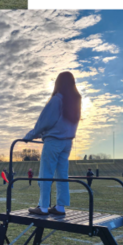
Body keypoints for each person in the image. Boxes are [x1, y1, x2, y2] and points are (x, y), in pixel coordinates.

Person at [25, 71, 81, 217]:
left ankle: (43, 207)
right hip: (67, 143)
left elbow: (44, 121)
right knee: (62, 175)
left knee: (46, 174)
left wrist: (30, 136)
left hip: (54, 141)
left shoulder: (57, 100)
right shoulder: (75, 100)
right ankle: (60, 206)